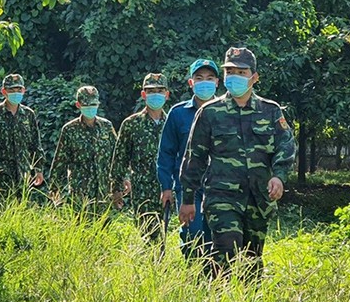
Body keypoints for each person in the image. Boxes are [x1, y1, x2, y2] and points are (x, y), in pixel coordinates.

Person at [179, 47, 296, 275]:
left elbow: (286, 145)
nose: (234, 76)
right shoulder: (210, 112)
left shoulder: (270, 111)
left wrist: (279, 176)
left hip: (258, 198)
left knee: (251, 262)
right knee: (225, 254)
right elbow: (195, 157)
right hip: (222, 198)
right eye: (230, 71)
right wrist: (188, 198)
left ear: (254, 77)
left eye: (241, 72)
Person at [157, 59, 218, 258]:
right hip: (188, 186)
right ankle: (193, 283)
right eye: (199, 78)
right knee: (193, 238)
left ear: (218, 82)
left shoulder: (227, 111)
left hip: (220, 186)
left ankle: (215, 284)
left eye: (209, 78)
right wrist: (166, 186)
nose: (204, 82)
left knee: (219, 241)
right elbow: (166, 152)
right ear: (191, 83)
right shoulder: (178, 113)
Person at [111, 73, 169, 234]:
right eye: (151, 91)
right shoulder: (131, 124)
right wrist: (116, 188)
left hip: (169, 189)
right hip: (142, 190)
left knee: (170, 235)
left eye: (160, 90)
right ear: (143, 94)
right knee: (146, 236)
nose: (155, 94)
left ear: (167, 94)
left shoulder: (173, 121)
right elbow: (120, 158)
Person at [0, 73, 45, 194]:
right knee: (1, 209)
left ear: (24, 90)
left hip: (23, 172)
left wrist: (39, 170)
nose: (16, 92)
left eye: (19, 89)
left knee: (22, 210)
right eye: (12, 89)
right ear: (4, 91)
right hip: (0, 172)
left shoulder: (28, 114)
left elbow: (35, 144)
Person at [50, 85, 117, 203]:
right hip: (79, 192)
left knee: (105, 221)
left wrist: (122, 181)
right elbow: (60, 161)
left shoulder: (107, 126)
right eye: (86, 105)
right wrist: (55, 188)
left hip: (104, 193)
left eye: (93, 105)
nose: (90, 108)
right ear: (78, 105)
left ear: (98, 104)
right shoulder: (70, 129)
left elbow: (117, 157)